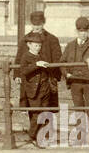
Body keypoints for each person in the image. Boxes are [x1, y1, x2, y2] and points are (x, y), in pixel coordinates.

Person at [15, 11, 62, 139]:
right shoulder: (25, 39)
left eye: (39, 24)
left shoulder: (52, 39)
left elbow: (58, 58)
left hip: (47, 78)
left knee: (46, 108)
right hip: (30, 79)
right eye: (34, 25)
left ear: (43, 23)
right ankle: (35, 135)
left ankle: (45, 134)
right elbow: (19, 58)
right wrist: (17, 74)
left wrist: (54, 73)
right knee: (33, 107)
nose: (36, 27)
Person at [60, 17, 89, 146]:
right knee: (78, 110)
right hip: (75, 83)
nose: (83, 33)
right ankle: (80, 136)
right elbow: (62, 62)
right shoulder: (70, 46)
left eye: (85, 31)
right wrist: (66, 74)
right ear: (76, 31)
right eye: (80, 31)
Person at [16, 35, 58, 146]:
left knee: (45, 113)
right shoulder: (25, 56)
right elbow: (24, 71)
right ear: (29, 45)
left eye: (39, 45)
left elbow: (47, 70)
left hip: (44, 89)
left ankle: (42, 137)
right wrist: (36, 65)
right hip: (33, 91)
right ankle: (32, 135)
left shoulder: (42, 56)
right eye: (35, 45)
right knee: (36, 114)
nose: (38, 48)